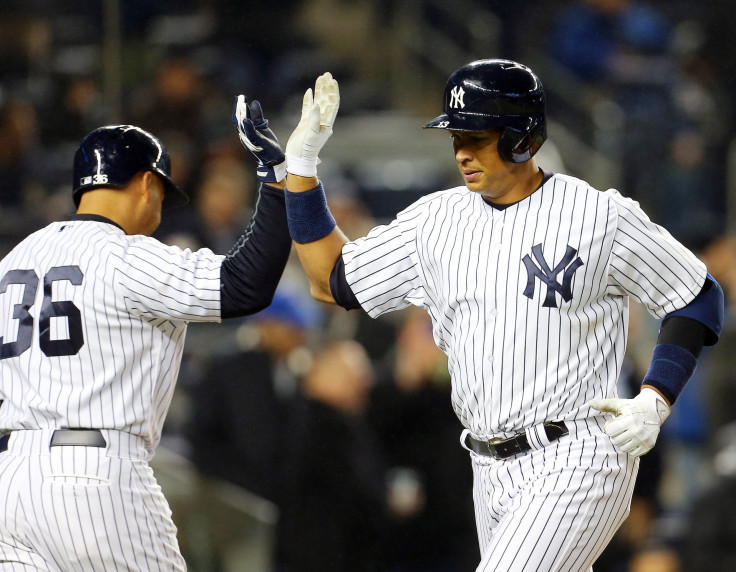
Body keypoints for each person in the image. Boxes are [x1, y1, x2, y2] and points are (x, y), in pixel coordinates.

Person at [275, 64, 724, 571]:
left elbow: (696, 294)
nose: (462, 151)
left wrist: (656, 397)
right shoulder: (434, 221)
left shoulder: (599, 215)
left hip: (576, 453)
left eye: (477, 137)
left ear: (521, 139)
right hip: (486, 467)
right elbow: (329, 279)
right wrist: (302, 166)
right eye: (456, 136)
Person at [0, 89, 293, 570]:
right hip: (96, 477)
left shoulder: (16, 259)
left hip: (12, 479)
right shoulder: (127, 255)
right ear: (144, 184)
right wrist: (277, 181)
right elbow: (246, 286)